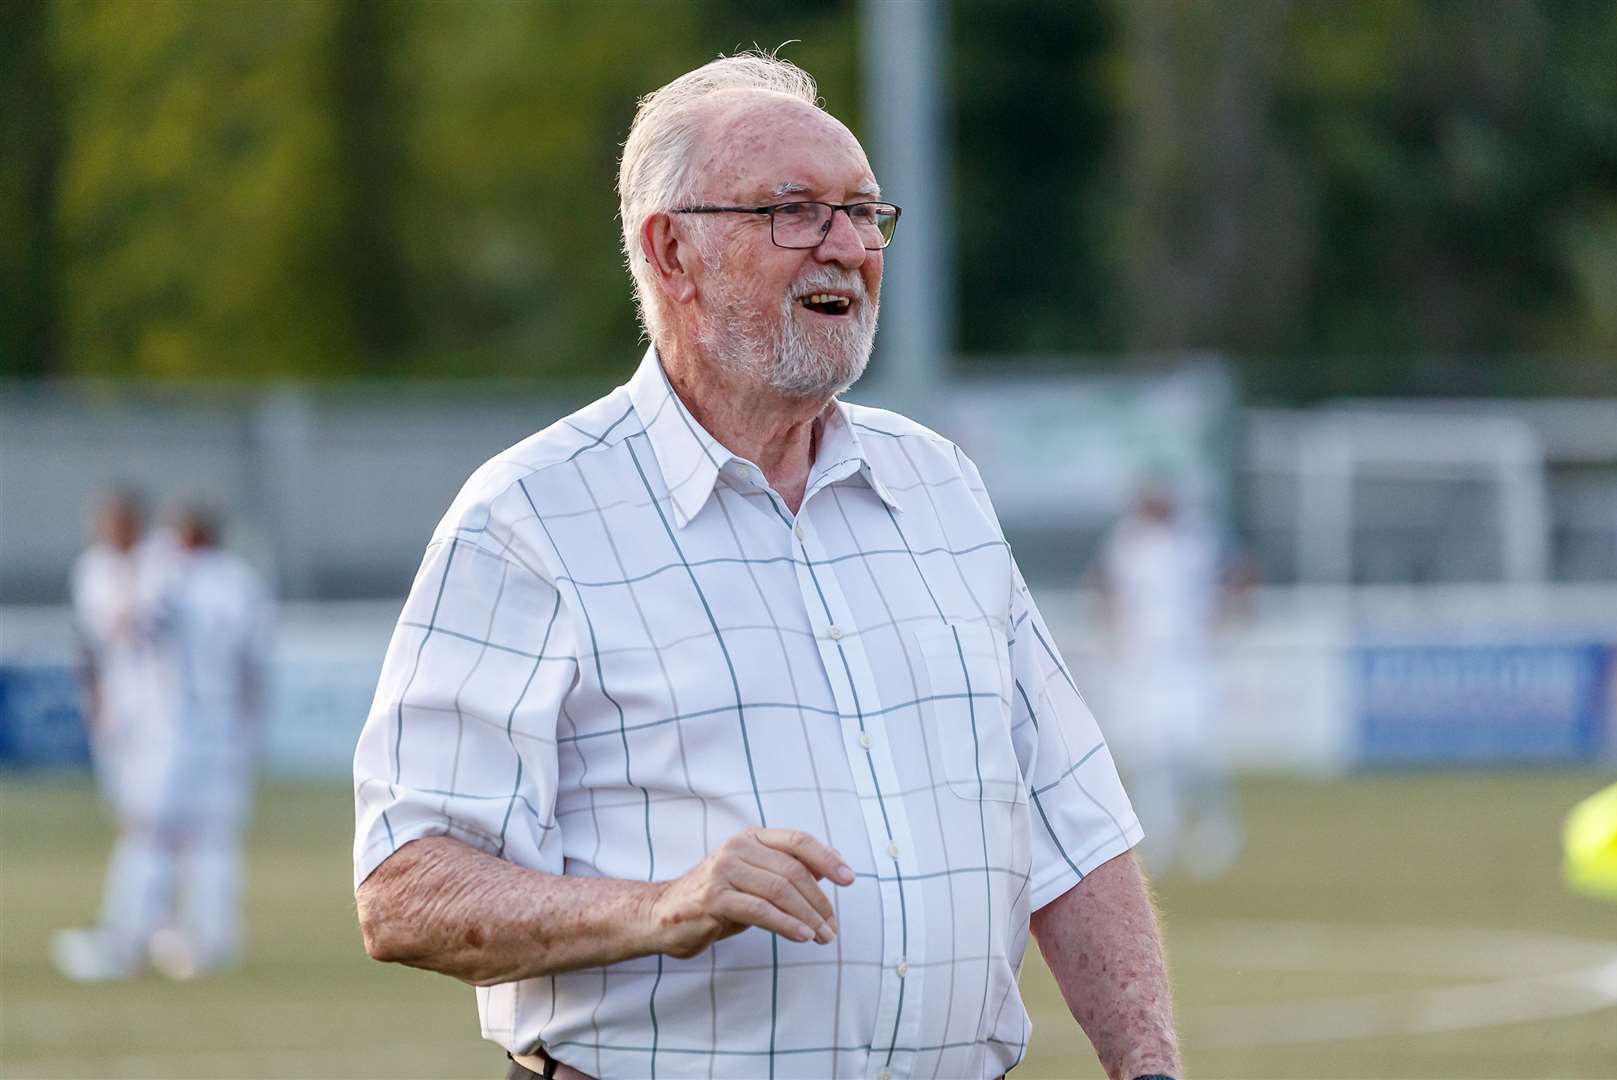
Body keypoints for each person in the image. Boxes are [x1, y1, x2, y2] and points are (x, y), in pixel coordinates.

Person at [353, 53, 1180, 1080]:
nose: (846, 246)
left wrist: (1148, 1070)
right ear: (672, 253)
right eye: (794, 211)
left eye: (862, 212)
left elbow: (1074, 828)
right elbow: (406, 889)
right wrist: (661, 909)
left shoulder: (941, 491)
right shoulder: (528, 519)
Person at [53, 496, 271, 981]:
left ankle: (123, 943)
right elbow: (255, 666)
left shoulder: (172, 578)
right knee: (212, 836)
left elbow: (126, 628)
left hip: (171, 728)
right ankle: (210, 941)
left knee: (147, 833)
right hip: (224, 730)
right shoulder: (242, 582)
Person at [1095, 483, 1243, 879]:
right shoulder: (1126, 541)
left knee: (1196, 749)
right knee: (1147, 753)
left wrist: (1219, 624)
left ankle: (1218, 831)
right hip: (1142, 662)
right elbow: (1110, 592)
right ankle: (1158, 833)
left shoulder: (1196, 537)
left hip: (1186, 660)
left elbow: (1228, 581)